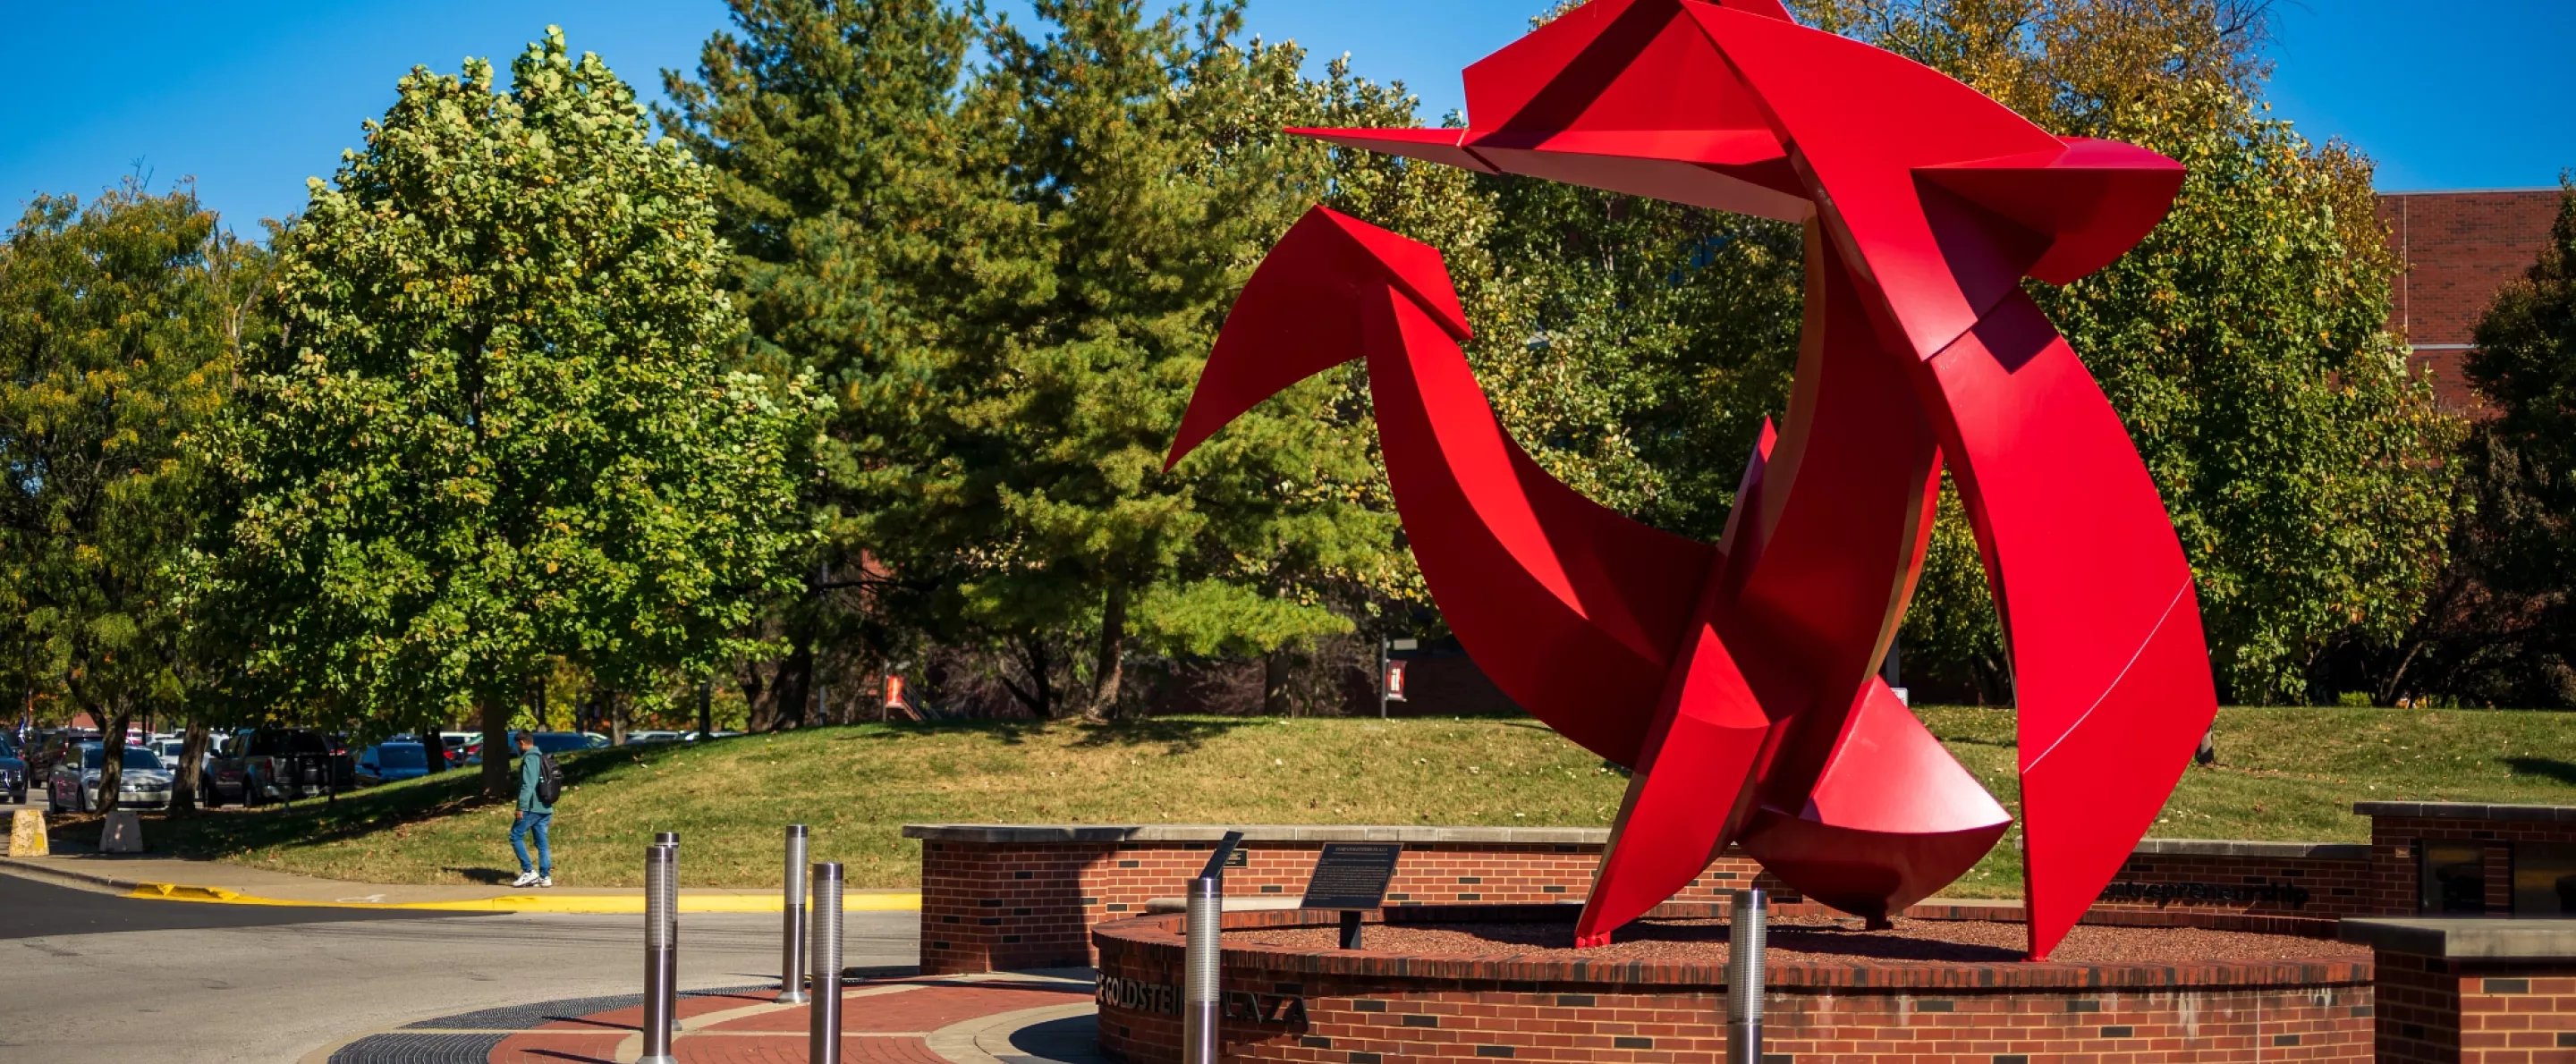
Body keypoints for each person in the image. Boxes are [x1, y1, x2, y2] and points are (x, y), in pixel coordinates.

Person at [509, 730, 554, 888]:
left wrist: (521, 806)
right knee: (542, 843)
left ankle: (528, 871)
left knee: (515, 836)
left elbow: (528, 784)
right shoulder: (541, 756)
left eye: (516, 744)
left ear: (522, 742)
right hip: (545, 807)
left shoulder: (530, 758)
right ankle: (545, 876)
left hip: (531, 807)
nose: (517, 748)